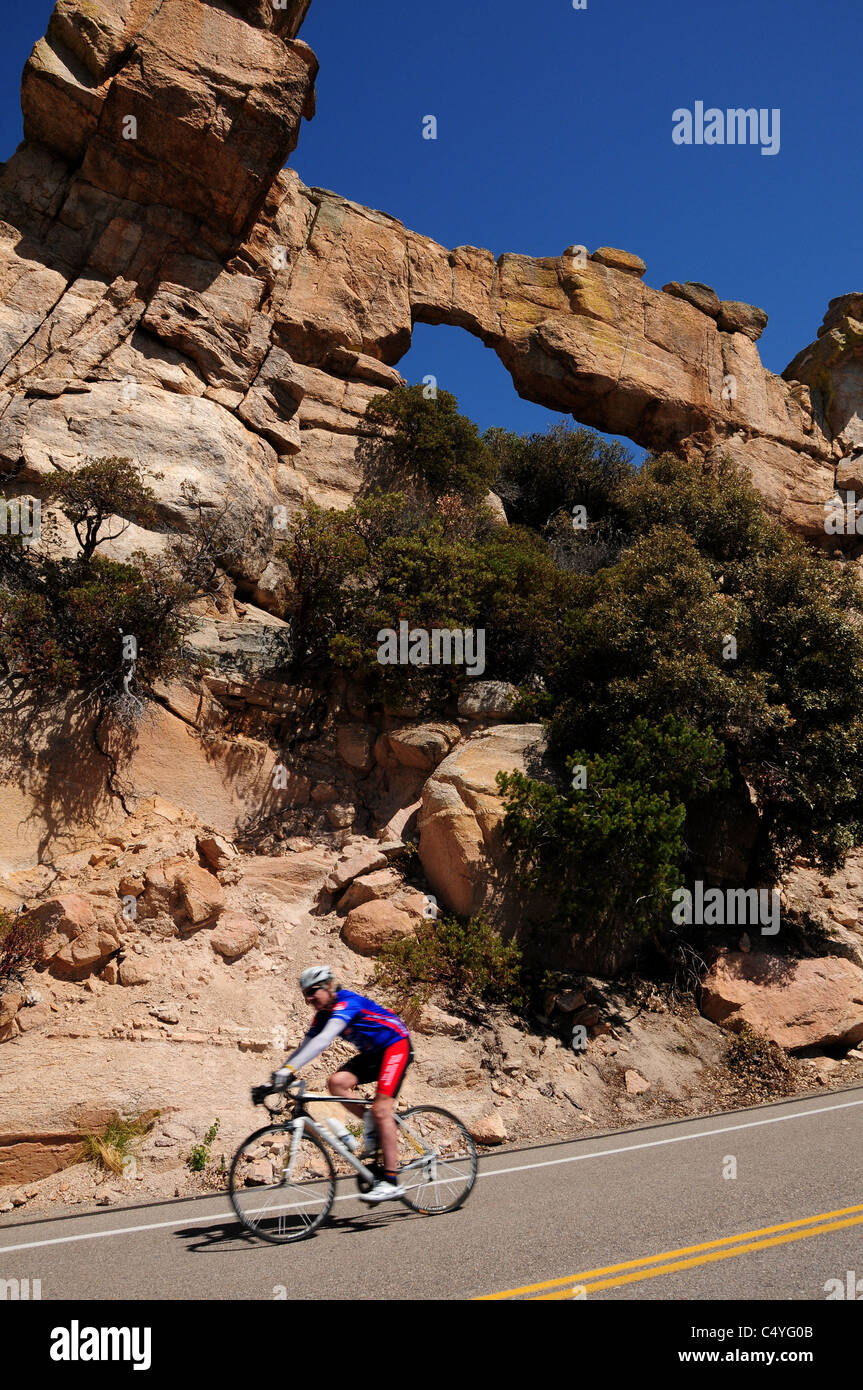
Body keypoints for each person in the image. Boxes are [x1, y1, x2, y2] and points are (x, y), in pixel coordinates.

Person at [271, 966, 414, 1203]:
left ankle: (391, 1181)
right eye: (305, 994)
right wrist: (280, 1073)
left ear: (328, 986)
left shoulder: (347, 1003)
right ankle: (370, 1122)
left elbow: (324, 1040)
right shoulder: (322, 1016)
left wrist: (288, 1071)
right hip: (373, 1054)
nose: (308, 999)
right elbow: (306, 1045)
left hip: (395, 1045)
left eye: (312, 992)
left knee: (381, 1109)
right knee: (336, 1082)